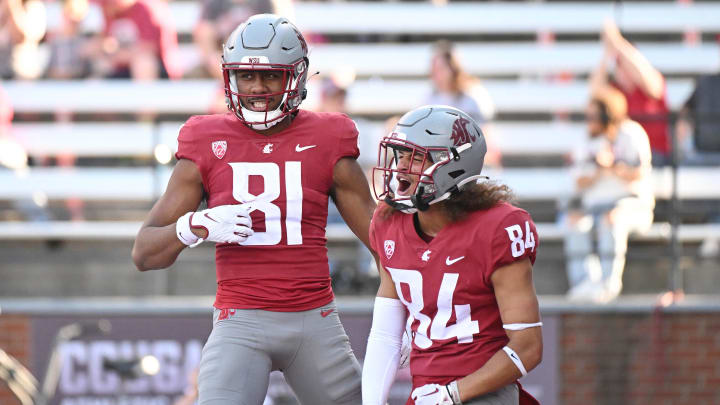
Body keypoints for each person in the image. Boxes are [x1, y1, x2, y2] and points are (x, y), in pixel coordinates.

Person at [131, 14, 375, 405]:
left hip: (315, 319)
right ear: (230, 78)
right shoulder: (204, 138)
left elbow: (382, 241)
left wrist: (410, 312)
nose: (257, 87)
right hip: (239, 322)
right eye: (246, 76)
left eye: (271, 76)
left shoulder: (329, 136)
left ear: (295, 78)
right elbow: (144, 253)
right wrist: (195, 225)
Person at [361, 105, 542, 405]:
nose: (400, 168)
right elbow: (385, 335)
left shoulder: (498, 227)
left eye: (416, 157)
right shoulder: (388, 222)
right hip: (425, 393)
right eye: (399, 155)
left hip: (485, 390)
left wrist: (453, 393)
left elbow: (528, 347)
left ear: (452, 165)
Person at [562, 87, 654, 303]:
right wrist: (597, 170)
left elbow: (640, 173)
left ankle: (608, 283)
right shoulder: (586, 138)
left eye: (595, 115)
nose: (590, 120)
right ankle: (584, 283)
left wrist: (613, 165)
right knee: (573, 221)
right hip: (592, 206)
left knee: (612, 218)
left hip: (631, 204)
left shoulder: (631, 133)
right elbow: (577, 181)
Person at [590, 19, 670, 166]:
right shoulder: (614, 92)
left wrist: (618, 42)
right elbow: (594, 92)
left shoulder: (652, 83)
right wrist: (608, 52)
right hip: (623, 157)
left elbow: (646, 76)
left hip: (655, 156)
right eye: (620, 63)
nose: (625, 68)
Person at [424, 41, 500, 168]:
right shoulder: (429, 97)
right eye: (434, 68)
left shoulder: (472, 95)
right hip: (441, 159)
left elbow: (484, 137)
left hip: (469, 157)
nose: (435, 73)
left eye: (440, 68)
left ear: (453, 68)